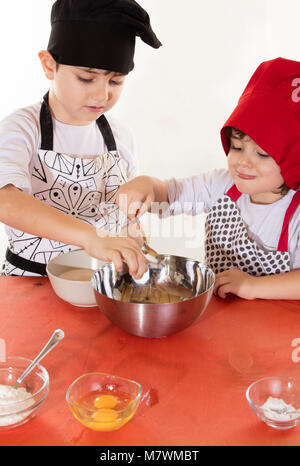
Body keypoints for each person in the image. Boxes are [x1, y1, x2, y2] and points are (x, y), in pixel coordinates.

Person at [0, 0, 162, 278]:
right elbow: (5, 200)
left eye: (115, 81)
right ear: (49, 65)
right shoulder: (22, 128)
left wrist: (133, 236)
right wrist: (90, 237)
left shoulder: (120, 136)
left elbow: (123, 212)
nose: (102, 95)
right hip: (29, 284)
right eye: (87, 79)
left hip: (101, 285)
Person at [117, 57, 300, 300]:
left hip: (276, 329)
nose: (243, 161)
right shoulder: (221, 186)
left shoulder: (295, 215)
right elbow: (172, 194)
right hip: (219, 321)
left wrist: (252, 286)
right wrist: (148, 186)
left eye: (262, 153)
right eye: (236, 147)